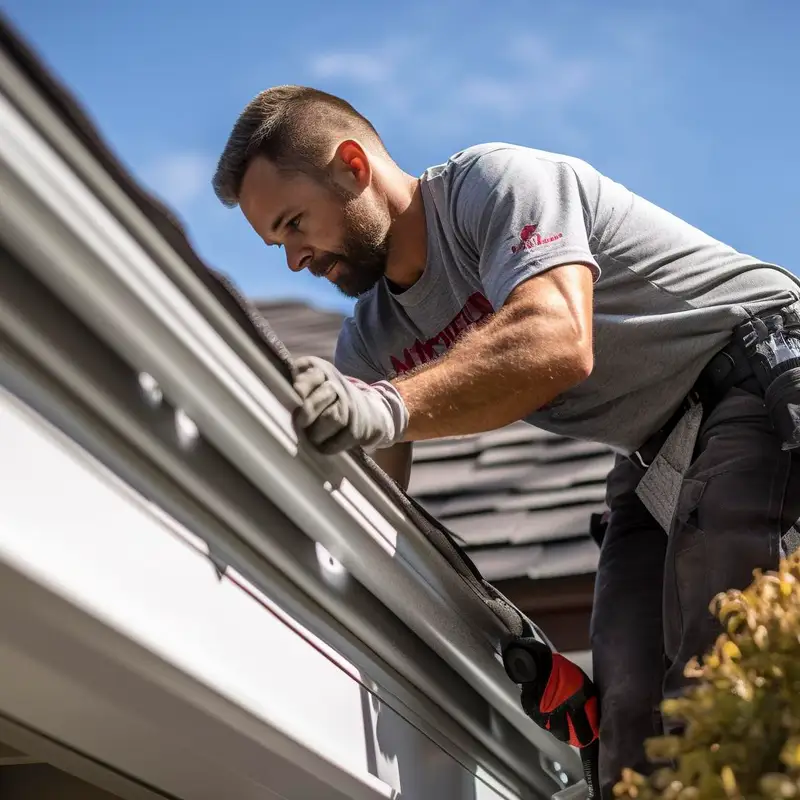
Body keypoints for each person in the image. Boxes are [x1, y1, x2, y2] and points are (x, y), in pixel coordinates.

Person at [213, 85, 800, 796]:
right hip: (655, 453)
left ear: (351, 167)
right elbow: (370, 512)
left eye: (295, 224)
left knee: (723, 672)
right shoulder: (371, 342)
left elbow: (557, 340)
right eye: (277, 244)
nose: (294, 260)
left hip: (758, 371)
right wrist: (496, 631)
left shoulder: (493, 186)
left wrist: (388, 405)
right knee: (631, 727)